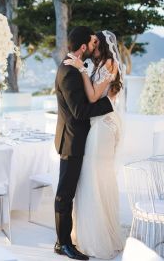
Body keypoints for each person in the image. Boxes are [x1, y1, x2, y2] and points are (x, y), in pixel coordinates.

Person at [54, 26, 115, 260]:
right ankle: (63, 243)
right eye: (91, 43)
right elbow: (79, 111)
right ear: (83, 48)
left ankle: (64, 241)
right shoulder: (69, 71)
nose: (94, 46)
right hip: (71, 141)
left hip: (76, 139)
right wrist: (108, 105)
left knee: (68, 192)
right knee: (64, 194)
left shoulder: (74, 66)